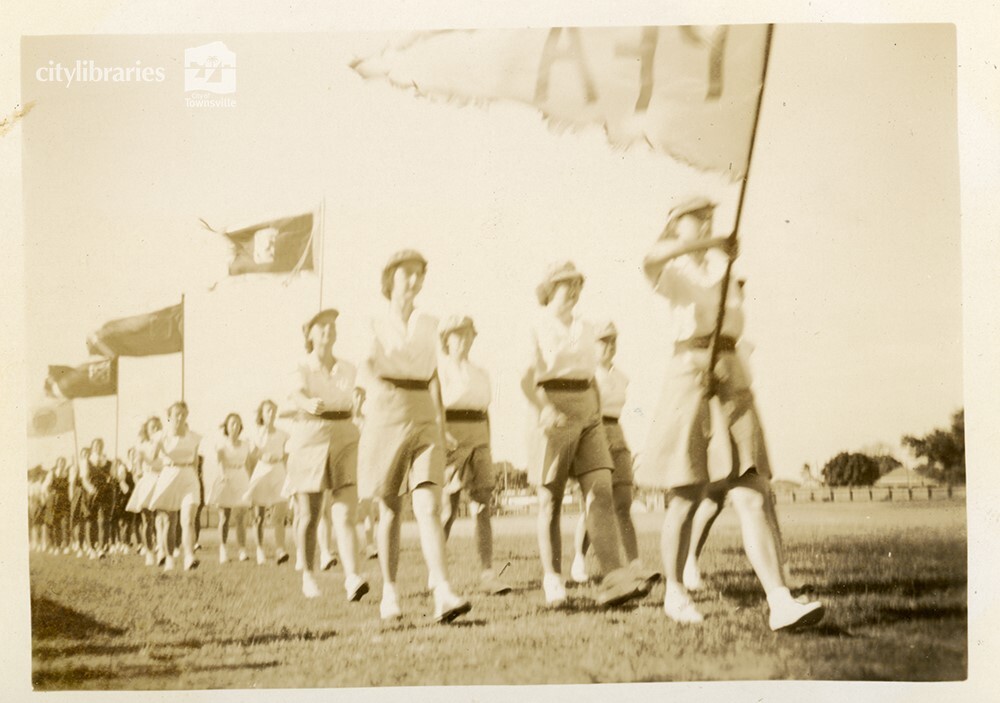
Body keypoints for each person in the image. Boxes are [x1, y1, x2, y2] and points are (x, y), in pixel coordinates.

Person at [639, 195, 823, 630]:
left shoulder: (725, 269)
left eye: (709, 218)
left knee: (751, 489)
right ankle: (675, 592)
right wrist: (711, 243)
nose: (706, 224)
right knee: (685, 496)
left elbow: (735, 324)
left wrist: (724, 253)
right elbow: (649, 260)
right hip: (690, 374)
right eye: (695, 219)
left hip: (732, 374)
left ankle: (780, 601)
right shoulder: (671, 270)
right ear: (674, 226)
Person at [520, 261, 646, 609]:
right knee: (551, 500)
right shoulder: (538, 326)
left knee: (601, 492)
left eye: (578, 285)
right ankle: (553, 579)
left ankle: (613, 579)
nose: (574, 291)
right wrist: (544, 408)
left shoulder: (587, 327)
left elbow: (591, 376)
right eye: (566, 285)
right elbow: (526, 379)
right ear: (550, 288)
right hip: (552, 411)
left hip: (588, 411)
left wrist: (594, 408)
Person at [357, 250, 470, 622]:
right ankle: (389, 592)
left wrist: (440, 424)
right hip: (387, 410)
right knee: (389, 509)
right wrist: (378, 404)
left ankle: (442, 590)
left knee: (429, 506)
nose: (415, 279)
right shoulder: (372, 322)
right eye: (408, 273)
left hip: (423, 411)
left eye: (420, 273)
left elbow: (433, 374)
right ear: (390, 278)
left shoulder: (430, 322)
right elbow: (369, 370)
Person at [569, 321, 660, 591]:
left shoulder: (621, 376)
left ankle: (634, 564)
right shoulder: (587, 373)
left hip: (616, 432)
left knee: (623, 501)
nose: (609, 346)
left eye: (613, 341)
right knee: (595, 502)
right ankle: (579, 560)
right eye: (603, 341)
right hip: (593, 433)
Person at [285, 308, 369, 602]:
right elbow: (295, 394)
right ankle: (308, 574)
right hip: (311, 435)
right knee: (309, 513)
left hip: (345, 434)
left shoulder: (348, 367)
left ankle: (352, 577)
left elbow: (358, 395)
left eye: (332, 325)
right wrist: (307, 402)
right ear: (309, 334)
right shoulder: (302, 366)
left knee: (346, 511)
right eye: (321, 326)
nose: (328, 331)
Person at [437, 315, 510, 596]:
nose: (463, 340)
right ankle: (437, 573)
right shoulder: (440, 371)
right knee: (448, 509)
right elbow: (436, 411)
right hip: (452, 439)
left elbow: (485, 412)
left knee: (482, 507)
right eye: (457, 335)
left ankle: (488, 574)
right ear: (446, 340)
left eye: (468, 335)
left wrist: (487, 445)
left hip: (479, 437)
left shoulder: (481, 373)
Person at [147, 401, 202, 571]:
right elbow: (150, 459)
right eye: (176, 414)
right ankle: (169, 557)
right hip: (169, 475)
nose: (180, 417)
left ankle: (189, 557)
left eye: (183, 414)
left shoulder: (194, 437)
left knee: (188, 520)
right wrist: (154, 448)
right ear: (169, 417)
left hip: (188, 477)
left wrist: (196, 478)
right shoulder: (161, 436)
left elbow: (195, 461)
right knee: (170, 521)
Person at [246, 399, 291, 565]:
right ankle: (260, 550)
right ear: (262, 414)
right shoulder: (256, 433)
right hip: (262, 471)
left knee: (280, 513)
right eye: (268, 411)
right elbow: (253, 453)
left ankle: (280, 550)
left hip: (278, 471)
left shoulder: (283, 434)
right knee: (259, 516)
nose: (271, 414)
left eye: (273, 410)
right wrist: (263, 456)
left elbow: (286, 455)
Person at [208, 413, 253, 563]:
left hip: (241, 477)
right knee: (224, 516)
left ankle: (242, 550)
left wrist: (250, 481)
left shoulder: (246, 444)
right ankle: (223, 550)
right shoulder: (221, 444)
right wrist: (223, 476)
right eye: (232, 423)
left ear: (241, 427)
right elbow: (220, 462)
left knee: (241, 517)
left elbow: (247, 464)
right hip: (226, 477)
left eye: (237, 424)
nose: (235, 427)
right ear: (226, 427)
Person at [352, 387, 378, 561]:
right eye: (356, 396)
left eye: (362, 396)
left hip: (365, 466)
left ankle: (370, 545)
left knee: (367, 507)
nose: (359, 399)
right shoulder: (344, 420)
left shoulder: (369, 420)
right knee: (346, 509)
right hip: (347, 466)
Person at [83, 438, 114, 558]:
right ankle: (91, 547)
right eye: (96, 445)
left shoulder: (108, 461)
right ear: (92, 447)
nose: (98, 447)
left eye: (100, 445)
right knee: (90, 520)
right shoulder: (87, 461)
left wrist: (111, 479)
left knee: (103, 520)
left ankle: (102, 547)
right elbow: (84, 479)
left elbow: (112, 476)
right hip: (91, 493)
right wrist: (91, 489)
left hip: (105, 492)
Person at [44, 457, 72, 553]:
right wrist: (50, 495)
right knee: (55, 523)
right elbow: (45, 486)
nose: (62, 464)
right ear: (57, 463)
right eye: (60, 462)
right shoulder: (52, 473)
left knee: (65, 523)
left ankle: (66, 545)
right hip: (54, 500)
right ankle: (56, 545)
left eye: (63, 462)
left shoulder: (67, 474)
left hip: (64, 500)